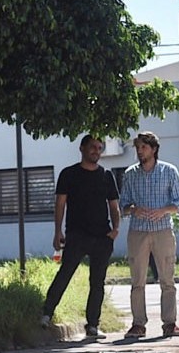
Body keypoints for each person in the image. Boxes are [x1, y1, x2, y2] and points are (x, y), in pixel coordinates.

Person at [40, 135, 121, 339]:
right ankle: (46, 314)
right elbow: (60, 204)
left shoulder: (106, 176)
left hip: (102, 236)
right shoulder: (69, 174)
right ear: (82, 148)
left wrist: (115, 230)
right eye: (92, 146)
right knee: (65, 273)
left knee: (98, 282)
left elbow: (114, 205)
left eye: (100, 147)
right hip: (76, 235)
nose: (96, 150)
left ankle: (93, 325)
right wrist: (57, 231)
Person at [119, 131, 179, 339]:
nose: (139, 151)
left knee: (167, 278)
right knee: (137, 279)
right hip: (138, 231)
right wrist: (133, 209)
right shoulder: (130, 174)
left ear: (154, 149)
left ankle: (170, 323)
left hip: (162, 231)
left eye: (143, 147)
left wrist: (163, 210)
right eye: (137, 147)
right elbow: (122, 205)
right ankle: (138, 324)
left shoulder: (169, 171)